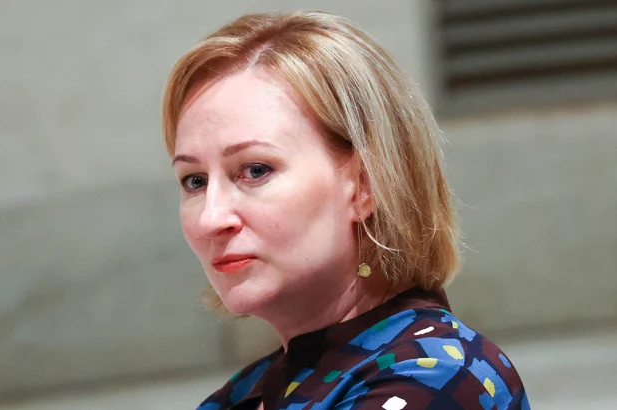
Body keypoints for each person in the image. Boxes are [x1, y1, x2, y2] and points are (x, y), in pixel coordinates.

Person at [161, 10, 529, 410]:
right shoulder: (245, 393)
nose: (210, 219)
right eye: (194, 180)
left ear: (366, 184)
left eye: (255, 170)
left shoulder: (435, 376)